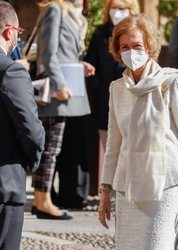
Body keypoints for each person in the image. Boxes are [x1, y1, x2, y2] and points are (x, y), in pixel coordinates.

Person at [98, 14, 178, 249]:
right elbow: (114, 144)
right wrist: (105, 190)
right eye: (124, 46)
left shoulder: (172, 81)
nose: (131, 51)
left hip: (166, 185)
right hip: (128, 187)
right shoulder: (117, 88)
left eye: (137, 45)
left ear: (149, 46)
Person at [31, 0, 94, 219]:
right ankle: (43, 201)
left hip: (65, 88)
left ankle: (42, 199)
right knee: (50, 148)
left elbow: (65, 52)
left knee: (51, 148)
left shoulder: (73, 14)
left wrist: (81, 65)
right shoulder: (54, 9)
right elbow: (47, 53)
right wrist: (59, 84)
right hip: (56, 91)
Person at [0, 1, 45, 249]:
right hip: (4, 184)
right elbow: (31, 129)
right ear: (9, 32)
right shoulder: (11, 72)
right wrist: (32, 160)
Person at [85, 0, 140, 151]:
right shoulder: (100, 33)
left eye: (122, 8)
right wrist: (100, 91)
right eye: (114, 8)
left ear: (131, 10)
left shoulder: (140, 33)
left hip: (134, 101)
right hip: (105, 104)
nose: (117, 12)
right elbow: (91, 64)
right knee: (111, 153)